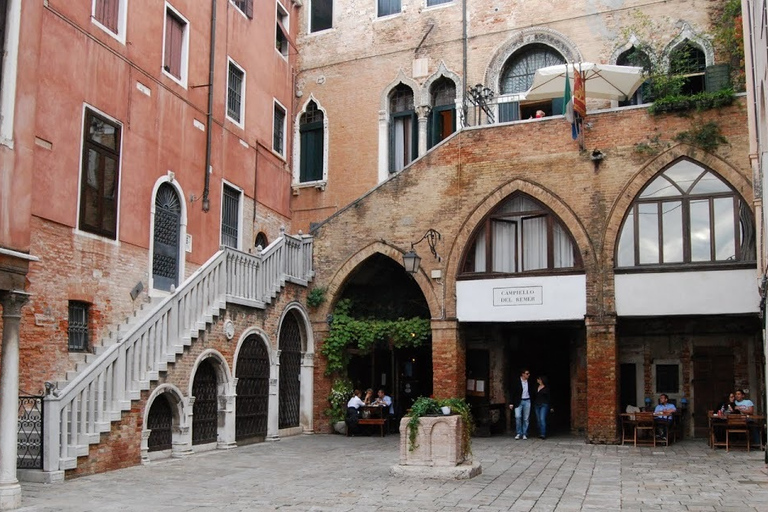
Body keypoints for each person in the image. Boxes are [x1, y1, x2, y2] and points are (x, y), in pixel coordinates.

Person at [509, 368, 534, 440]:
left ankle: (524, 433)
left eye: (528, 373)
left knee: (526, 418)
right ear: (522, 374)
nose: (528, 375)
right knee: (518, 416)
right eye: (527, 374)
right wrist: (511, 402)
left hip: (527, 400)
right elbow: (512, 392)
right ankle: (518, 432)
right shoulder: (516, 381)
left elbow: (532, 391)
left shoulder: (530, 382)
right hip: (518, 401)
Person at [534, 375, 551, 439]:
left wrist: (551, 406)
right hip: (537, 404)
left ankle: (543, 434)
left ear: (541, 380)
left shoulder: (546, 388)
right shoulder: (536, 387)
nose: (537, 380)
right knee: (538, 420)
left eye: (538, 379)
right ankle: (539, 432)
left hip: (544, 405)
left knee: (542, 419)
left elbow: (549, 397)